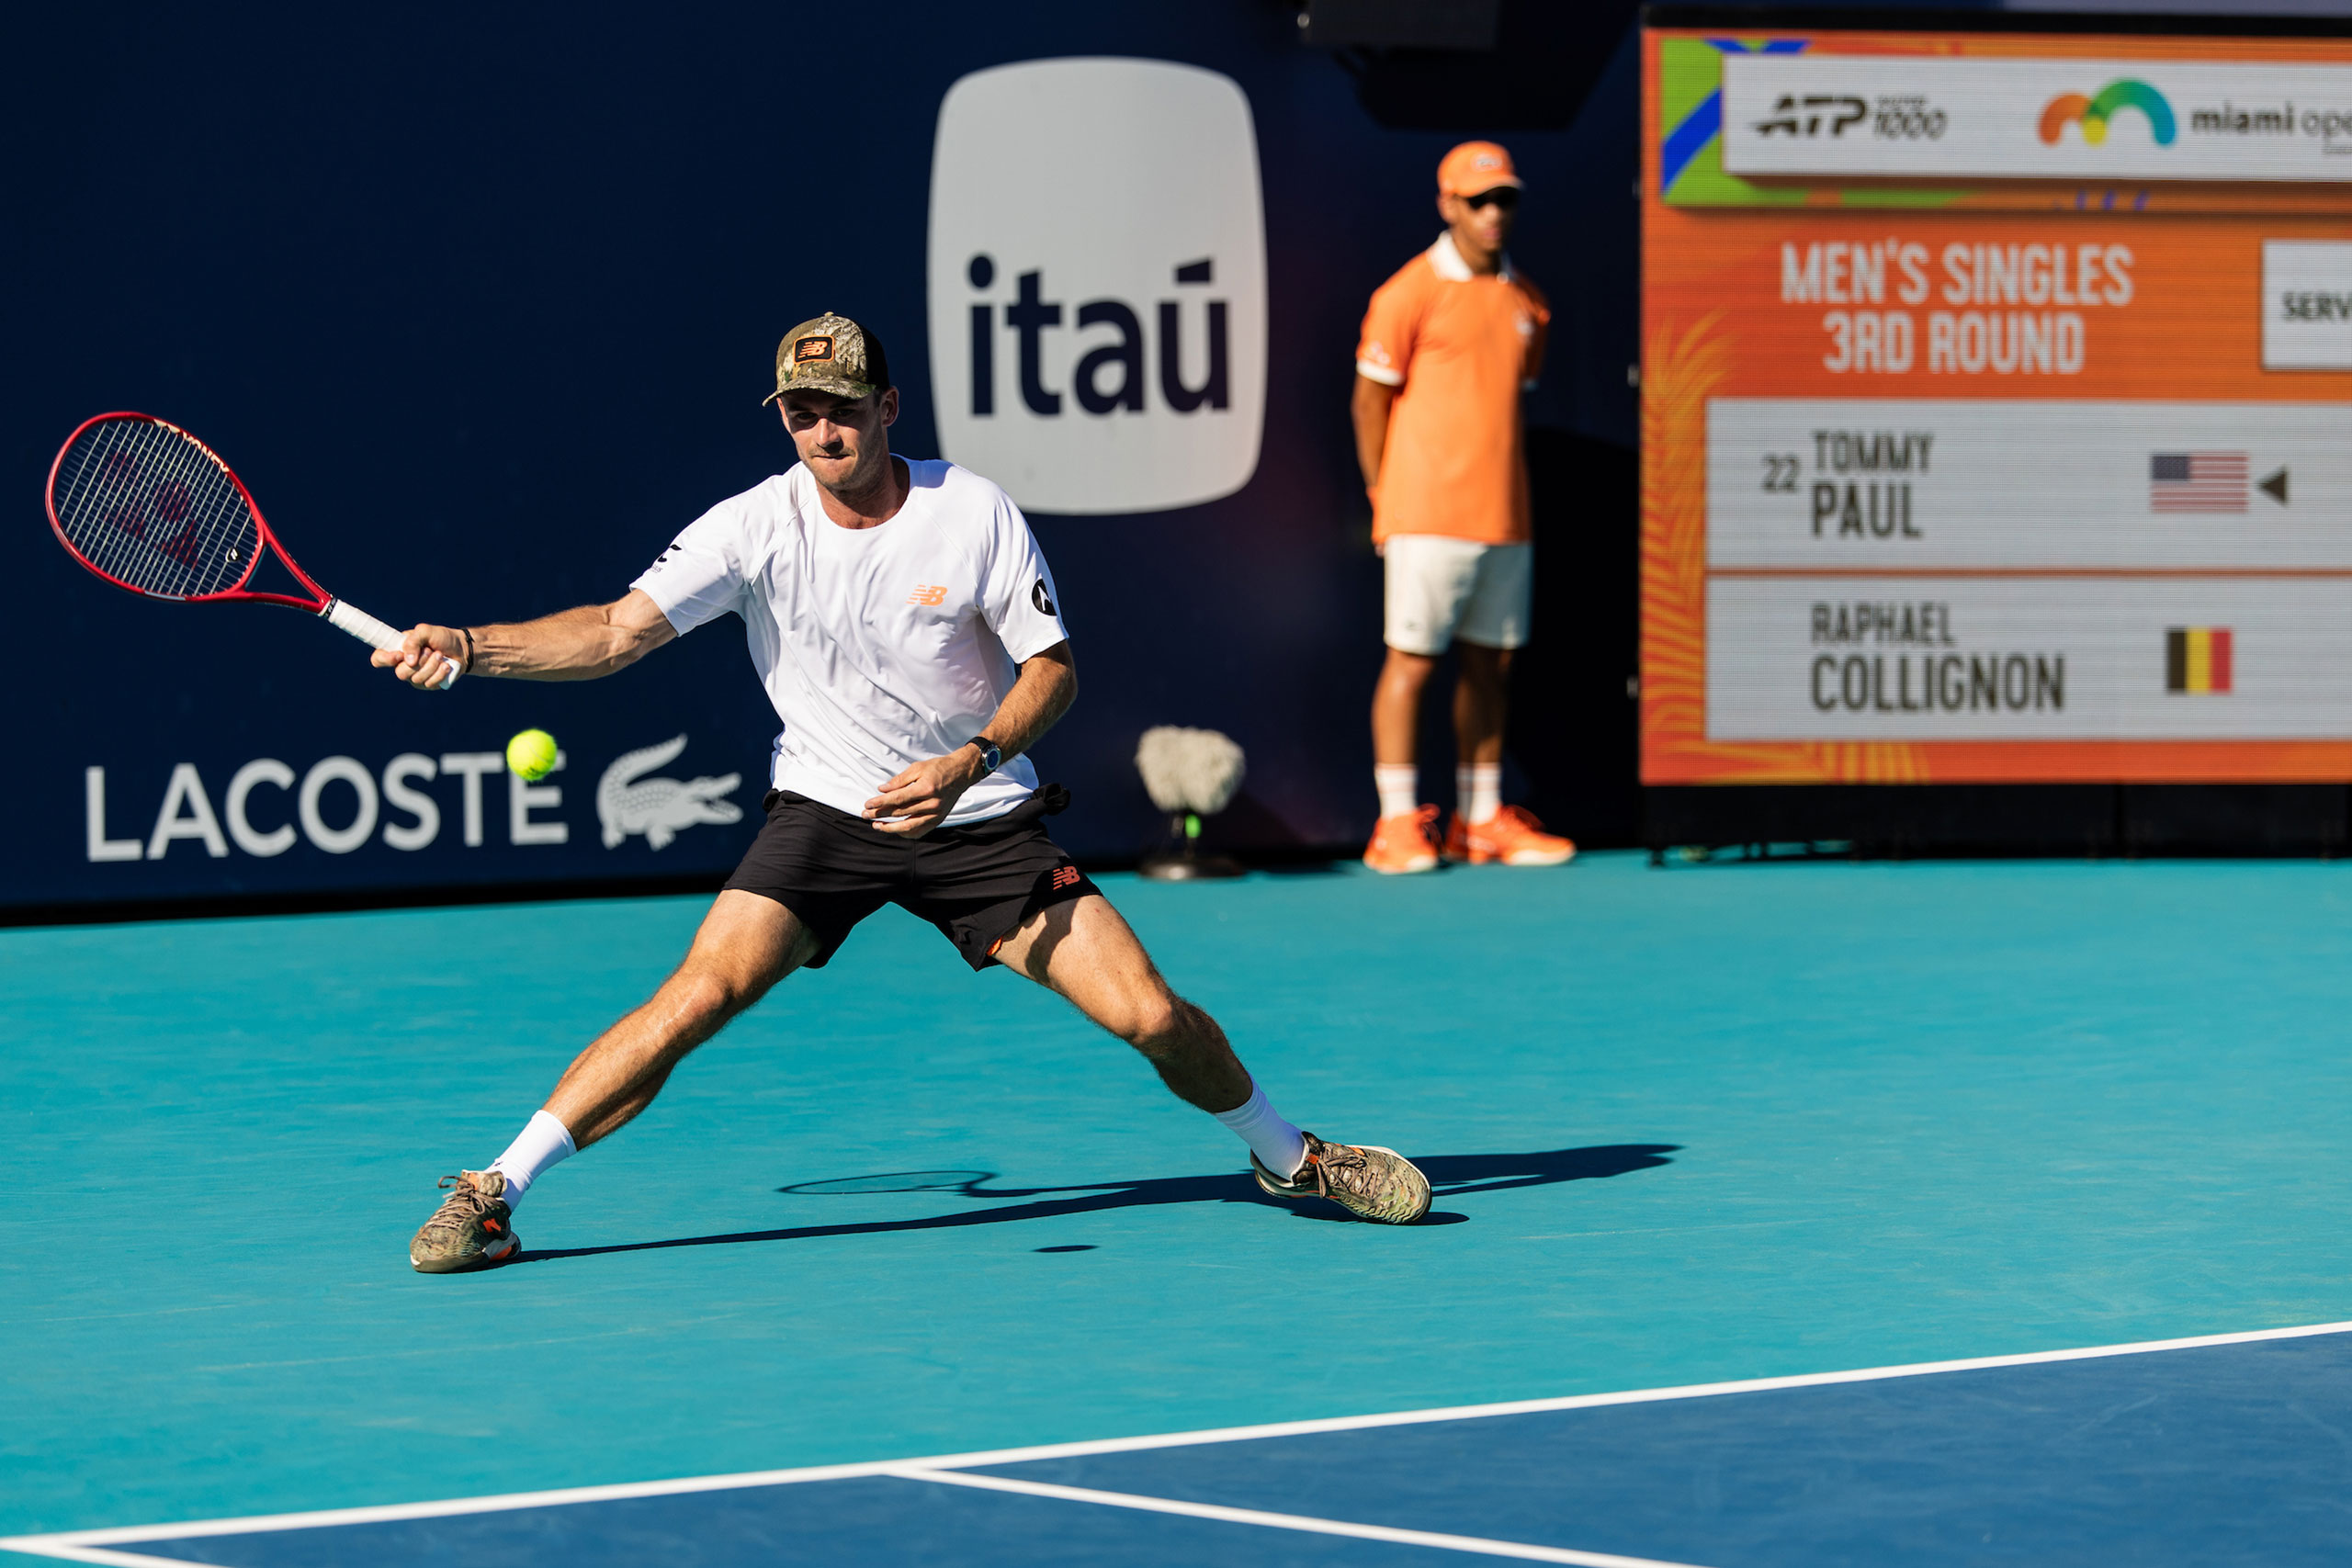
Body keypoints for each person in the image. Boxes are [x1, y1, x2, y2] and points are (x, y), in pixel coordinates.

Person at [382, 313, 1431, 1271]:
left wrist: (968, 762)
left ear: (887, 408)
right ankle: (494, 1191)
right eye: (802, 411)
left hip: (976, 816)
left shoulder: (970, 512)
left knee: (1150, 1015)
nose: (822, 431)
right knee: (696, 998)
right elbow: (614, 631)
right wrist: (469, 647)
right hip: (826, 815)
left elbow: (1053, 671)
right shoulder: (751, 526)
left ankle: (1291, 1157)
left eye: (842, 408)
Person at [1353, 141, 1577, 874]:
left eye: (1503, 200)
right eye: (1477, 201)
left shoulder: (1528, 302)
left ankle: (1478, 820)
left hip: (1506, 516)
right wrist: (1384, 494)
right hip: (1424, 512)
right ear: (1448, 205)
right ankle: (1394, 824)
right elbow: (1369, 403)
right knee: (1411, 663)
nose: (1492, 214)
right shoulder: (1407, 292)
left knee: (1493, 666)